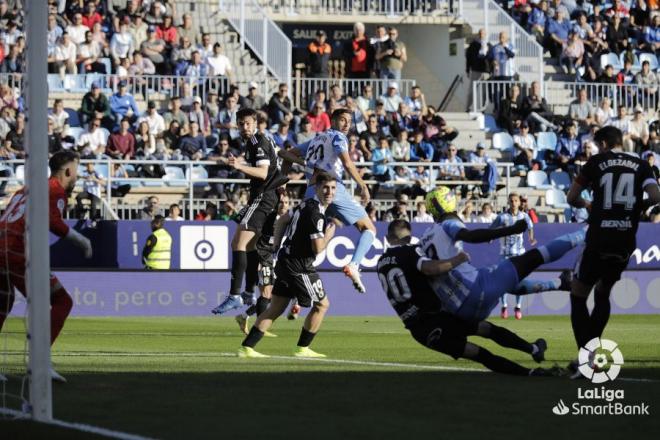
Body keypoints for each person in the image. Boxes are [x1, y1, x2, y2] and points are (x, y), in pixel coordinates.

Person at [377, 220, 557, 376]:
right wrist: (457, 259)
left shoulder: (380, 263)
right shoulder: (410, 252)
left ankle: (530, 369)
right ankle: (532, 351)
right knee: (487, 330)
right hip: (436, 317)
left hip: (419, 330)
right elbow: (429, 269)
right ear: (409, 237)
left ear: (387, 238)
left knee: (477, 353)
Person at [566, 126, 660, 378]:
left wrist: (589, 204)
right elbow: (655, 195)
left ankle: (586, 359)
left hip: (599, 237)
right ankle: (587, 358)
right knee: (603, 293)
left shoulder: (596, 162)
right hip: (624, 240)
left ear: (605, 143)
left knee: (577, 295)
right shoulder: (641, 164)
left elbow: (571, 197)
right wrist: (634, 206)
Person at [418, 186, 578, 323]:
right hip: (473, 286)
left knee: (511, 289)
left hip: (455, 304)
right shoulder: (449, 224)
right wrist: (512, 230)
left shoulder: (426, 235)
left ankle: (556, 287)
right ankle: (585, 233)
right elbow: (471, 236)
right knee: (535, 257)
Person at [0, 151, 92, 383]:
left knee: (4, 301)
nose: (77, 176)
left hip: (2, 244)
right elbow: (53, 221)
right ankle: (39, 364)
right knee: (62, 301)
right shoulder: (55, 190)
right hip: (16, 250)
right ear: (69, 171)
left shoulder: (28, 188)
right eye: (77, 170)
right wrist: (82, 240)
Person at [238, 172, 337, 358]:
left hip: (285, 261)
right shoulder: (316, 214)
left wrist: (276, 244)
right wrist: (330, 235)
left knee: (275, 307)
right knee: (322, 305)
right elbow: (317, 248)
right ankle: (302, 348)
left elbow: (283, 219)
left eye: (333, 188)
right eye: (325, 187)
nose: (329, 192)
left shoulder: (306, 204)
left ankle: (246, 348)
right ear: (316, 187)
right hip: (299, 266)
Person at [280, 108, 376, 293]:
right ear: (332, 121)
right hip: (332, 189)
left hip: (310, 191)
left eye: (349, 121)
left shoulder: (316, 139)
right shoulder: (338, 137)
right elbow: (347, 163)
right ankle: (354, 265)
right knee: (368, 228)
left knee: (313, 243)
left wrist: (283, 184)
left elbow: (285, 154)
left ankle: (295, 295)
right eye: (342, 120)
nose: (347, 124)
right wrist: (363, 185)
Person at [212, 108, 287, 315]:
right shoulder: (265, 140)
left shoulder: (256, 142)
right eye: (241, 124)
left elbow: (263, 173)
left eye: (248, 123)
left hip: (262, 198)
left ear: (255, 123)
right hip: (268, 198)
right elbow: (275, 165)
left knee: (238, 243)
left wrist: (239, 166)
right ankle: (247, 292)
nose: (244, 127)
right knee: (251, 246)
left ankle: (235, 295)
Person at [235, 193, 290, 336]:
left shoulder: (288, 221)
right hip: (262, 258)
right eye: (281, 202)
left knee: (270, 296)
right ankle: (259, 328)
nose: (283, 205)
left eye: (286, 202)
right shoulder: (268, 217)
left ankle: (244, 316)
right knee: (267, 293)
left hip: (272, 261)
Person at [491, 193, 537, 320]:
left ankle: (518, 307)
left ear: (518, 202)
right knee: (503, 281)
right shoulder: (502, 217)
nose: (513, 203)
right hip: (505, 254)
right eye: (511, 201)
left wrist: (531, 238)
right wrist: (490, 237)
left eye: (515, 201)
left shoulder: (524, 216)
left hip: (519, 254)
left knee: (519, 281)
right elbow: (491, 228)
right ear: (508, 202)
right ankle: (504, 306)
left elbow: (531, 226)